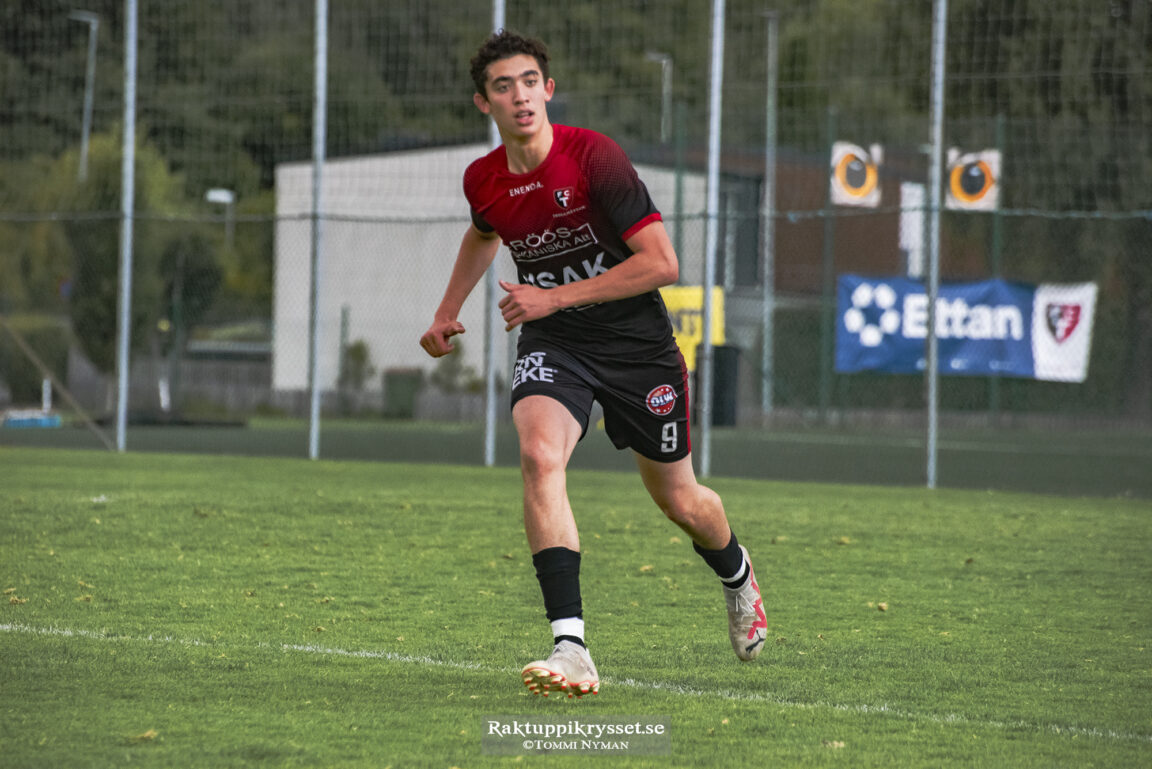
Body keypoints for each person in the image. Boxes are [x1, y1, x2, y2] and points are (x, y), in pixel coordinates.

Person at [420, 30, 766, 699]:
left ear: (548, 90)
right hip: (557, 345)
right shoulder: (483, 179)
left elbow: (661, 263)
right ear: (483, 103)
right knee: (538, 456)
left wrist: (551, 296)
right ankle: (571, 645)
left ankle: (737, 574)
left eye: (529, 82)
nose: (519, 96)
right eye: (502, 86)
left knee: (681, 501)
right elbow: (484, 231)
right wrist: (446, 309)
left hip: (639, 350)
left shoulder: (593, 158)